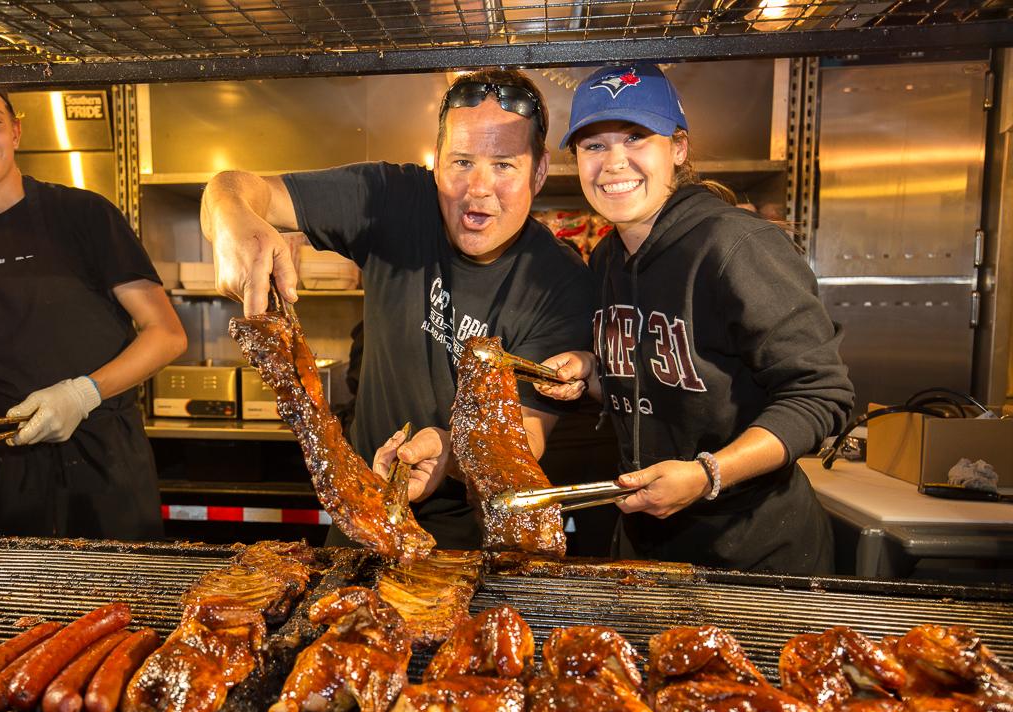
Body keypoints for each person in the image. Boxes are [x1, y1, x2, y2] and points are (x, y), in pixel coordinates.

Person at [201, 68, 597, 549]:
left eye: (504, 165)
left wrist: (448, 450)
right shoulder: (394, 198)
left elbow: (527, 434)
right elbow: (236, 187)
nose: (478, 188)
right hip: (364, 512)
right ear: (437, 163)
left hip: (472, 537)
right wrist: (230, 215)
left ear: (539, 171)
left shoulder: (562, 282)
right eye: (461, 161)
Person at [538, 63, 853, 574]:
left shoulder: (736, 246)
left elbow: (821, 395)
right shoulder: (608, 258)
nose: (614, 162)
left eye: (636, 137)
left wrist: (709, 474)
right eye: (594, 145)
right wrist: (591, 370)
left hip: (753, 555)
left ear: (678, 148)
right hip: (646, 544)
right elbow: (659, 387)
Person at [0, 86, 187, 539]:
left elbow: (167, 335)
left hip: (104, 468)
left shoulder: (83, 215)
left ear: (16, 132)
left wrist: (81, 395)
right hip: (5, 475)